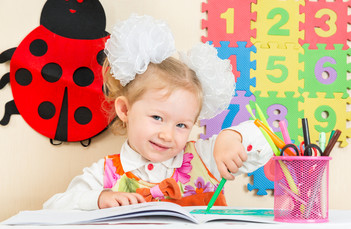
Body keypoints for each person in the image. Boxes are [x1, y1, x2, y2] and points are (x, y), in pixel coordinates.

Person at [43, 14, 273, 210]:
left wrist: (233, 138)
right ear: (124, 109)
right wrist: (100, 198)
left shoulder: (206, 157)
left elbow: (264, 139)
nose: (167, 135)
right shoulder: (105, 173)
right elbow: (52, 208)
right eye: (157, 118)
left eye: (181, 125)